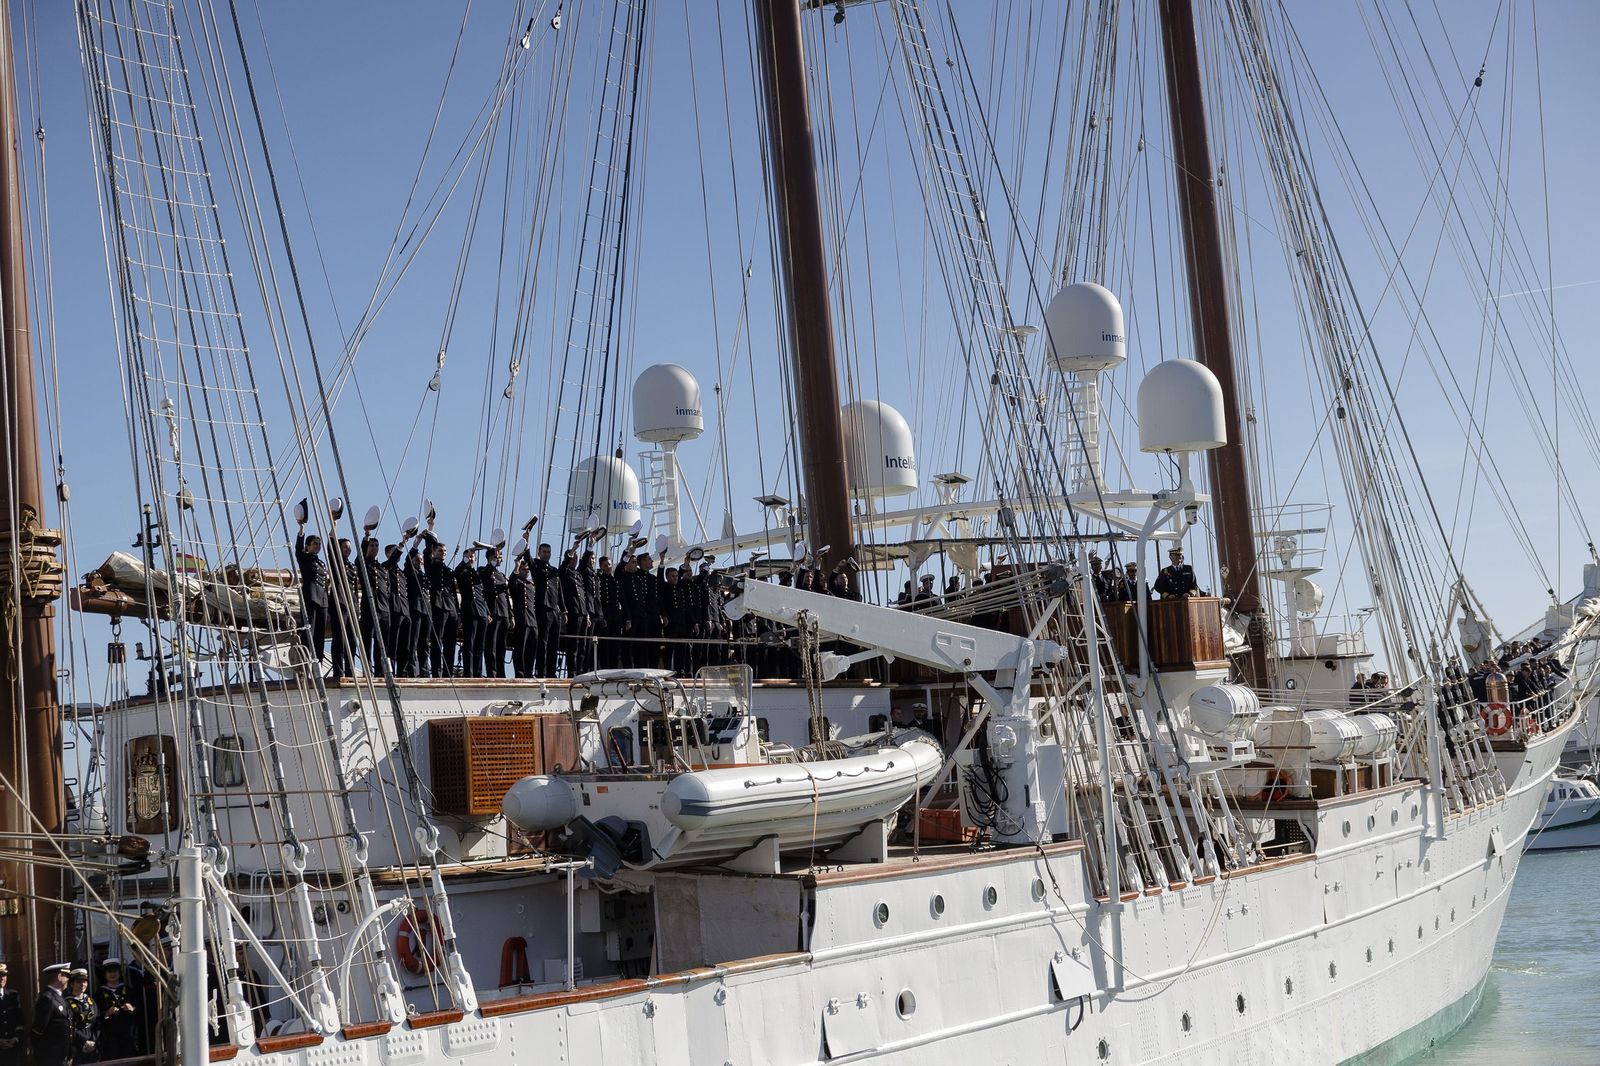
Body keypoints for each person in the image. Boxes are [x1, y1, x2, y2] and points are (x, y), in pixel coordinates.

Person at [422, 524, 458, 677]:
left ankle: (448, 671)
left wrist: (458, 611)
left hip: (450, 608)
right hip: (438, 605)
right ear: (434, 552)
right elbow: (427, 553)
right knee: (437, 640)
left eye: (444, 551)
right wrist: (431, 531)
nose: (443, 553)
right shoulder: (431, 566)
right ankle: (436, 671)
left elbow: (453, 592)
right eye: (440, 551)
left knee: (450, 642)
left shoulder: (448, 570)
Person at [293, 523, 330, 669]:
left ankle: (318, 663)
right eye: (315, 544)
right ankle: (306, 662)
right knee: (309, 631)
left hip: (322, 600)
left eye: (319, 544)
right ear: (308, 546)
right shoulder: (304, 558)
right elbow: (297, 549)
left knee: (320, 634)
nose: (318, 546)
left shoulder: (320, 562)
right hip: (310, 597)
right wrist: (301, 531)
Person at [93, 960, 138, 1061]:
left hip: (127, 1036)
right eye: (109, 972)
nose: (113, 974)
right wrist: (107, 1014)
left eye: (115, 971)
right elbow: (96, 1016)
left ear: (119, 973)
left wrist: (132, 1009)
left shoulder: (128, 989)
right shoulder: (99, 993)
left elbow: (139, 1010)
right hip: (109, 1037)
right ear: (105, 975)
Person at [358, 537, 392, 671]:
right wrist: (366, 536)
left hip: (384, 608)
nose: (374, 548)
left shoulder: (382, 568)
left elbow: (387, 586)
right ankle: (368, 669)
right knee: (367, 640)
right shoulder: (363, 564)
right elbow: (360, 555)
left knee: (383, 642)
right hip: (370, 607)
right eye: (371, 546)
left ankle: (380, 670)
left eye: (376, 546)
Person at [328, 538, 360, 677]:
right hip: (339, 603)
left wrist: (357, 607)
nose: (348, 549)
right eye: (345, 547)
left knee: (352, 641)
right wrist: (332, 532)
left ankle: (350, 670)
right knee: (339, 639)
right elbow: (330, 550)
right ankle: (339, 671)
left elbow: (354, 586)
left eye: (349, 547)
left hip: (351, 604)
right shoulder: (336, 562)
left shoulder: (353, 566)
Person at [455, 547, 488, 677]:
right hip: (469, 611)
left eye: (473, 556)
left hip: (481, 612)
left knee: (479, 646)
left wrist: (487, 612)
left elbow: (481, 595)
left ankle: (478, 673)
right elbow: (457, 572)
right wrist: (465, 559)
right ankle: (469, 673)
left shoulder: (477, 573)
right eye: (469, 556)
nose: (471, 558)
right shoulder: (462, 571)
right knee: (469, 644)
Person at [32, 963, 72, 1066]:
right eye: (66, 976)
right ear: (59, 977)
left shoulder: (59, 996)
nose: (68, 979)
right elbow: (38, 1030)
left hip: (62, 1055)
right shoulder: (47, 998)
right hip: (51, 1057)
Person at [481, 546, 511, 678]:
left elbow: (505, 594)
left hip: (503, 612)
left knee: (501, 645)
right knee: (491, 645)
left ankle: (501, 673)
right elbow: (486, 574)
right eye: (497, 557)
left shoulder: (502, 575)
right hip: (493, 612)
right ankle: (491, 673)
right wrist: (492, 559)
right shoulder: (484, 570)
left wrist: (511, 615)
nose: (499, 560)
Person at [559, 549, 590, 676]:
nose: (575, 560)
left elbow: (583, 564)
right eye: (573, 558)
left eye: (576, 558)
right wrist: (571, 552)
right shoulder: (565, 573)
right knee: (574, 645)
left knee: (582, 645)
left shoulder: (578, 574)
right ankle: (572, 672)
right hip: (573, 613)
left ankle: (580, 671)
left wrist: (589, 547)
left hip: (582, 612)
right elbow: (562, 569)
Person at [383, 544, 412, 675]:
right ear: (388, 554)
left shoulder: (401, 572)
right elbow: (392, 561)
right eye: (394, 552)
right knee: (392, 643)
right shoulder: (385, 566)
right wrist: (400, 547)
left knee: (405, 645)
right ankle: (391, 671)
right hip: (394, 607)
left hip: (404, 608)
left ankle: (403, 671)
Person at [508, 556, 539, 678]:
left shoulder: (531, 585)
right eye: (523, 569)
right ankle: (520, 673)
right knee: (520, 649)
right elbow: (511, 582)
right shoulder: (516, 583)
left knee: (532, 650)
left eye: (527, 570)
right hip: (522, 620)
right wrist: (516, 566)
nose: (526, 572)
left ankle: (529, 672)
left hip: (532, 621)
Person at [405, 545, 433, 678]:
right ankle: (411, 669)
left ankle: (424, 669)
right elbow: (407, 560)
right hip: (415, 608)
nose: (420, 562)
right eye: (417, 559)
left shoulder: (424, 575)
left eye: (421, 560)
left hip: (426, 610)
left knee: (425, 642)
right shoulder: (410, 572)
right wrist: (415, 545)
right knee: (413, 642)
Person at [67, 969, 98, 1064]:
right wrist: (84, 1041)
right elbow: (69, 1026)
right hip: (77, 1046)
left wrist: (94, 1040)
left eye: (85, 982)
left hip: (93, 1044)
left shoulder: (91, 1001)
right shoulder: (67, 1002)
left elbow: (98, 1021)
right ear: (72, 984)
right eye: (79, 982)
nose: (82, 985)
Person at [0, 963, 23, 1066]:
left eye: (4, 975)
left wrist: (16, 1038)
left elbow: (20, 1021)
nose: (2, 978)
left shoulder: (13, 995)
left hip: (13, 1048)